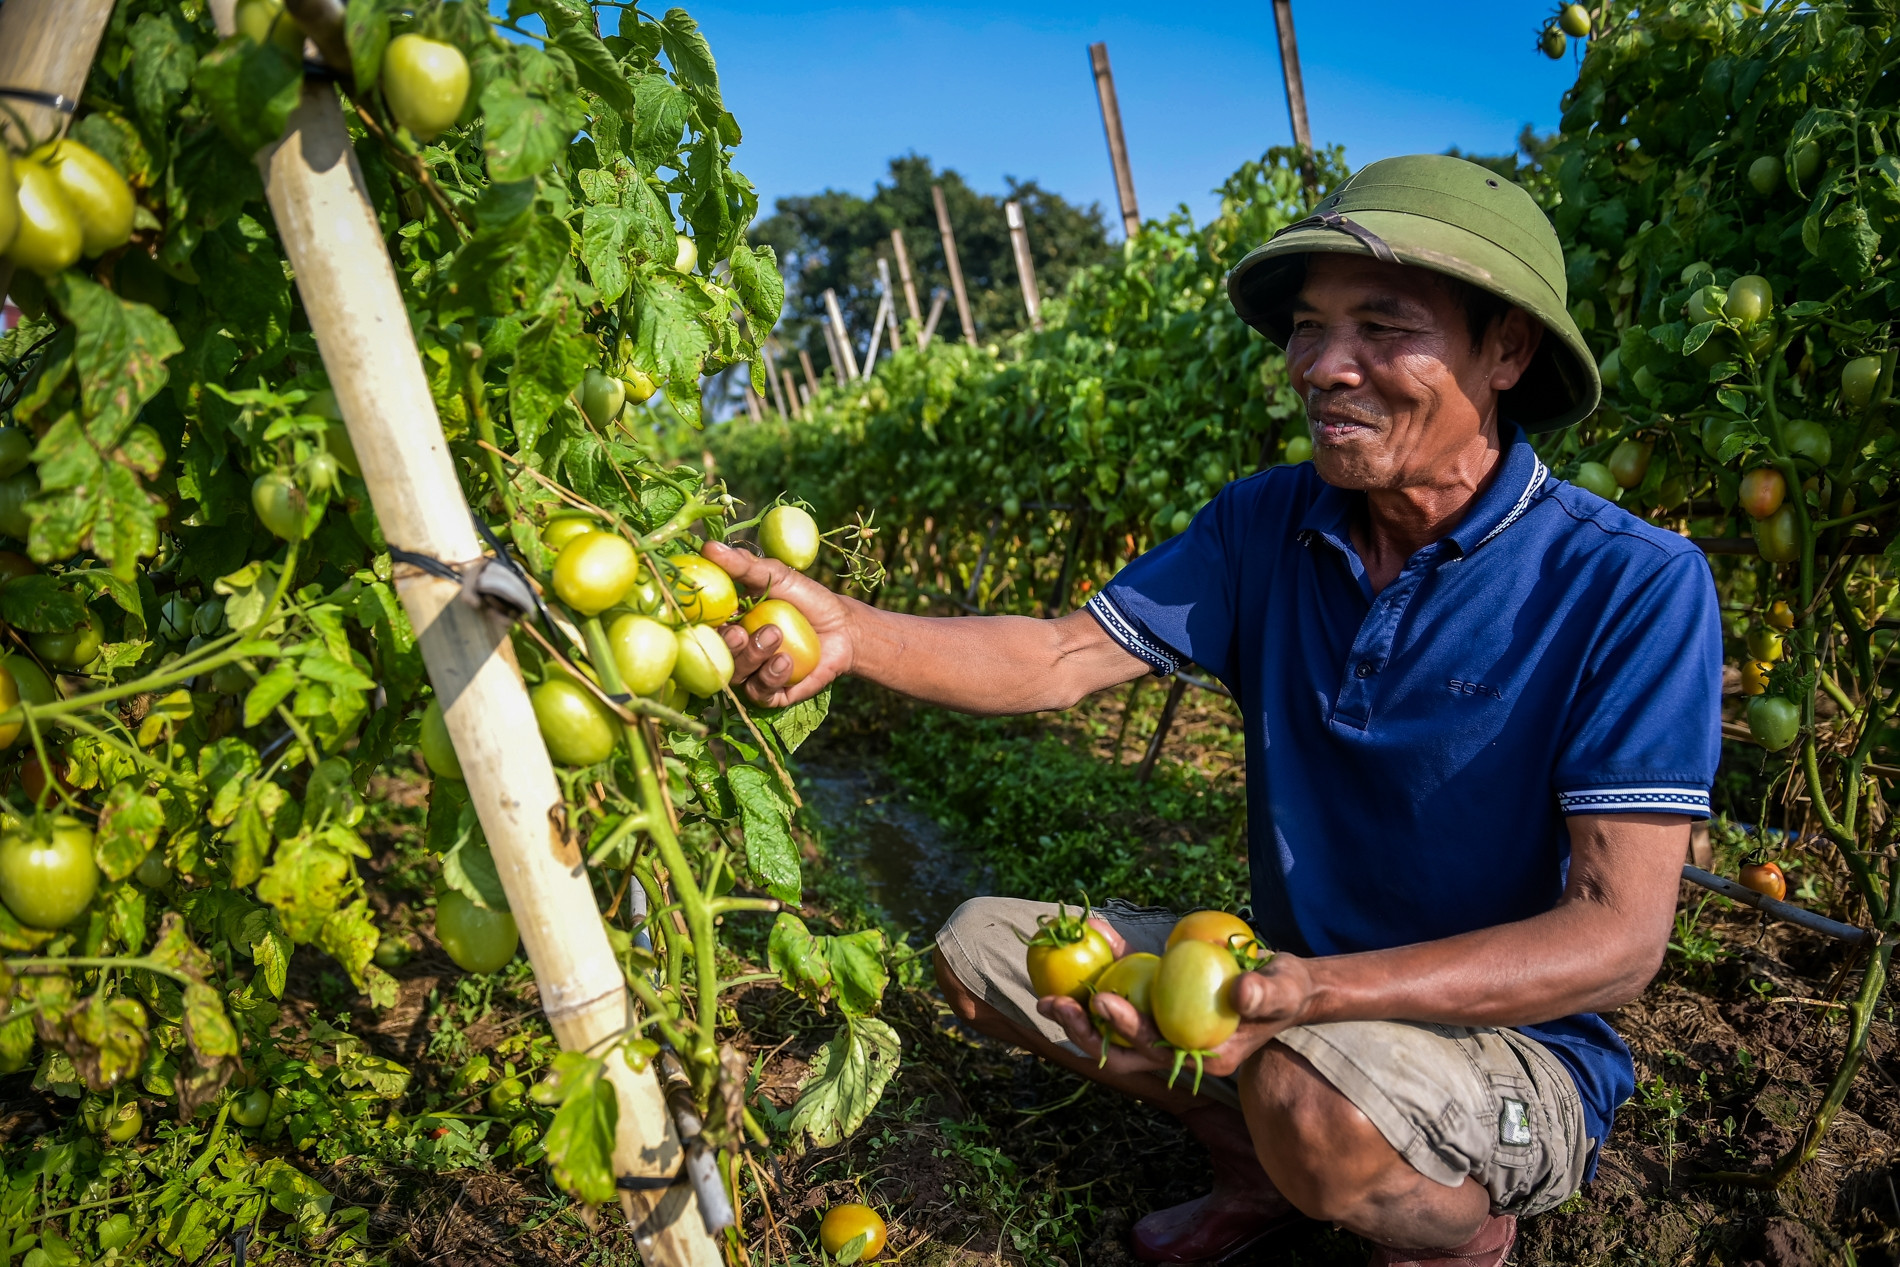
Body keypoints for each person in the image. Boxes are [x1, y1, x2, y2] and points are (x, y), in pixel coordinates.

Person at [703, 154, 1721, 1267]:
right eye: (1307, 326)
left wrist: (1310, 995)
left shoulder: (1630, 581)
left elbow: (1617, 942)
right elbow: (1057, 655)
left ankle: (1457, 1235)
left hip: (1509, 1044)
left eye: (1382, 327)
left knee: (1311, 1094)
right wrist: (854, 631)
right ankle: (1255, 1164)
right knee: (984, 953)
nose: (1325, 367)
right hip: (1286, 980)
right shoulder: (1266, 524)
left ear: (1508, 350)